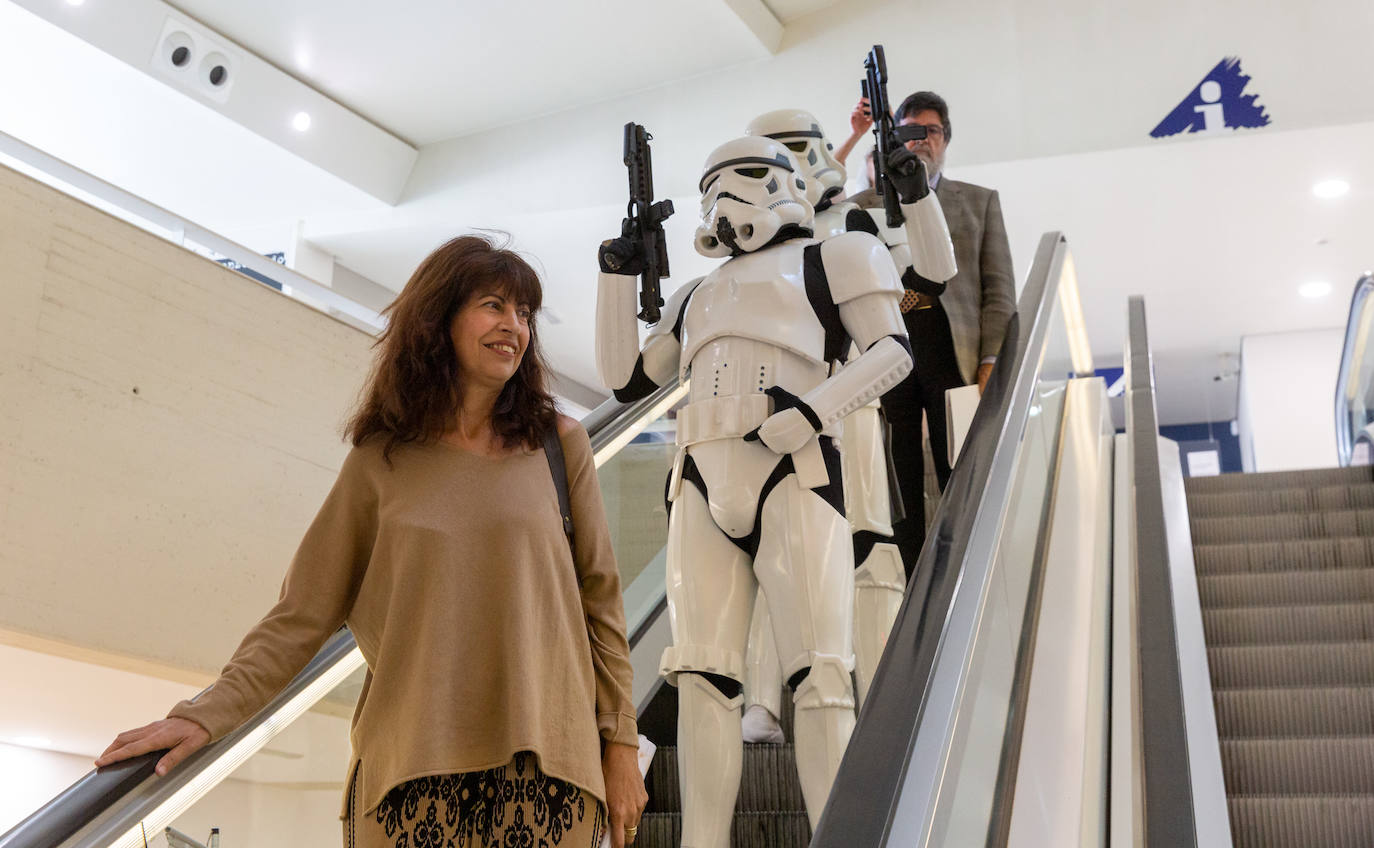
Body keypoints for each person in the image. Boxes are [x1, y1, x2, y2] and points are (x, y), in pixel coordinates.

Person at [95, 236, 648, 848]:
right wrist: (206, 713)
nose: (513, 327)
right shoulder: (380, 461)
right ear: (440, 319)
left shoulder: (558, 444)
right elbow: (301, 614)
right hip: (409, 776)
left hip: (549, 772)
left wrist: (620, 741)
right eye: (494, 305)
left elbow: (602, 602)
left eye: (525, 314)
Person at [850, 90, 1016, 574]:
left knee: (958, 459)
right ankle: (909, 567)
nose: (921, 141)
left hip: (951, 347)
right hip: (888, 345)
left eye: (931, 131)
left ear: (946, 139)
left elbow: (999, 290)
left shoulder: (979, 202)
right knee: (896, 463)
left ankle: (967, 560)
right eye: (910, 132)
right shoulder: (862, 204)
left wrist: (990, 361)